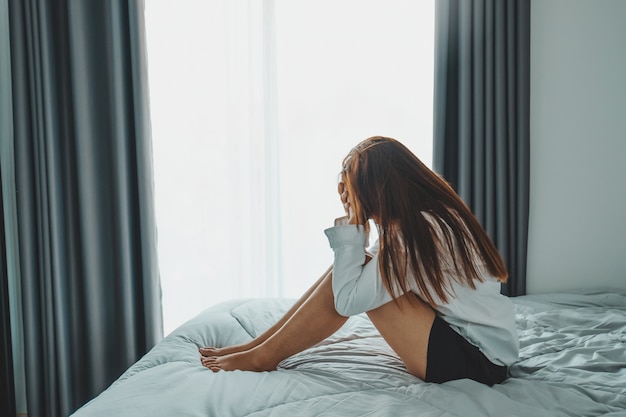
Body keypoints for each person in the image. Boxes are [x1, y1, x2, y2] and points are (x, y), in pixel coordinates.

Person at [199, 136, 519, 385]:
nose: (347, 198)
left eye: (350, 191)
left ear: (373, 190)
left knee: (357, 273)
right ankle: (258, 348)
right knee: (361, 264)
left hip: (477, 362)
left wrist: (353, 226)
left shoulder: (418, 231)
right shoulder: (423, 221)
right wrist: (355, 232)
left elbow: (348, 300)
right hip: (475, 349)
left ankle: (262, 355)